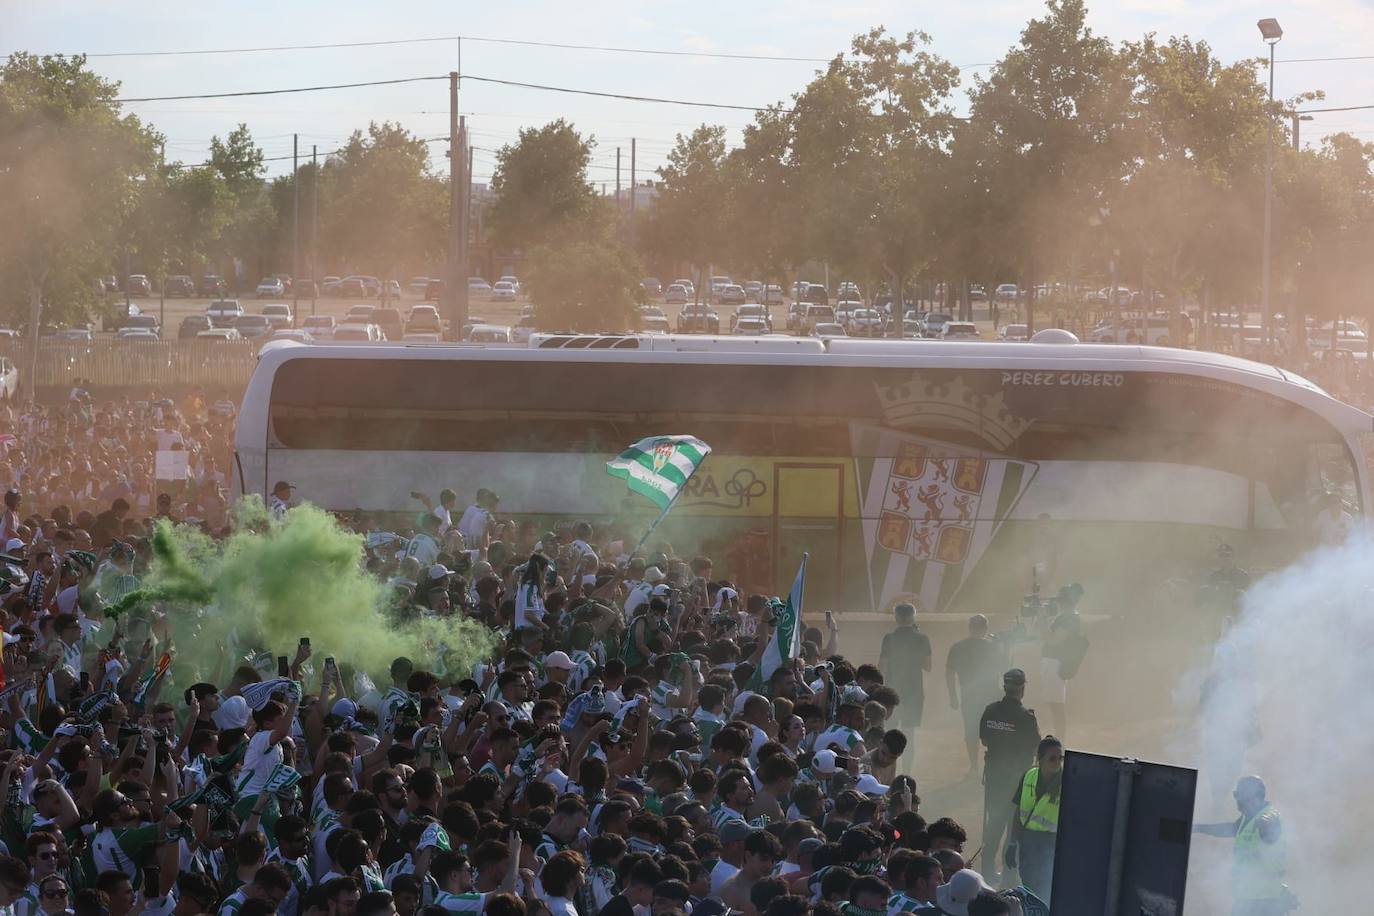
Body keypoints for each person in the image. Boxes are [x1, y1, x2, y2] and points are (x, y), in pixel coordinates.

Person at [978, 669, 1041, 883]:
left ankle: (987, 871)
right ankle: (1008, 873)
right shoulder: (1026, 717)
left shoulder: (990, 711)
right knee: (1013, 826)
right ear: (1022, 689)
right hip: (1017, 780)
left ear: (1005, 687)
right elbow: (1035, 748)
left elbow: (985, 741)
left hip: (995, 777)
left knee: (994, 822)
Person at [1194, 776, 1289, 916]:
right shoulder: (1248, 818)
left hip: (1263, 904)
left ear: (1250, 795)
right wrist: (1198, 828)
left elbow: (1271, 826)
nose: (1236, 799)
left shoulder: (1269, 817)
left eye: (1238, 794)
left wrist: (1267, 824)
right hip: (1247, 901)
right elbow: (1230, 828)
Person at [1004, 736, 1062, 903]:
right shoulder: (1029, 776)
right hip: (1027, 840)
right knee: (1028, 882)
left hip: (1052, 842)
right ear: (1040, 759)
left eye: (1060, 758)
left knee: (1046, 888)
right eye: (1052, 758)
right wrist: (1012, 843)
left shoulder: (1067, 782)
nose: (1057, 762)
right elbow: (1018, 811)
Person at [946, 616, 1004, 775]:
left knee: (971, 730)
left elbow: (949, 673)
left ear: (969, 627)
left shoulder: (958, 647)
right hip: (990, 693)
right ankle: (991, 763)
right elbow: (1004, 669)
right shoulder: (993, 647)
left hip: (968, 693)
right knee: (994, 728)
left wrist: (952, 695)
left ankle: (973, 766)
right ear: (985, 629)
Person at [878, 603, 931, 743]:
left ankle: (889, 764)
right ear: (913, 618)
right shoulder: (922, 639)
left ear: (896, 617)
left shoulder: (889, 638)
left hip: (892, 690)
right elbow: (928, 666)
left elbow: (881, 666)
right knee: (908, 734)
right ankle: (907, 766)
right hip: (914, 691)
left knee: (889, 732)